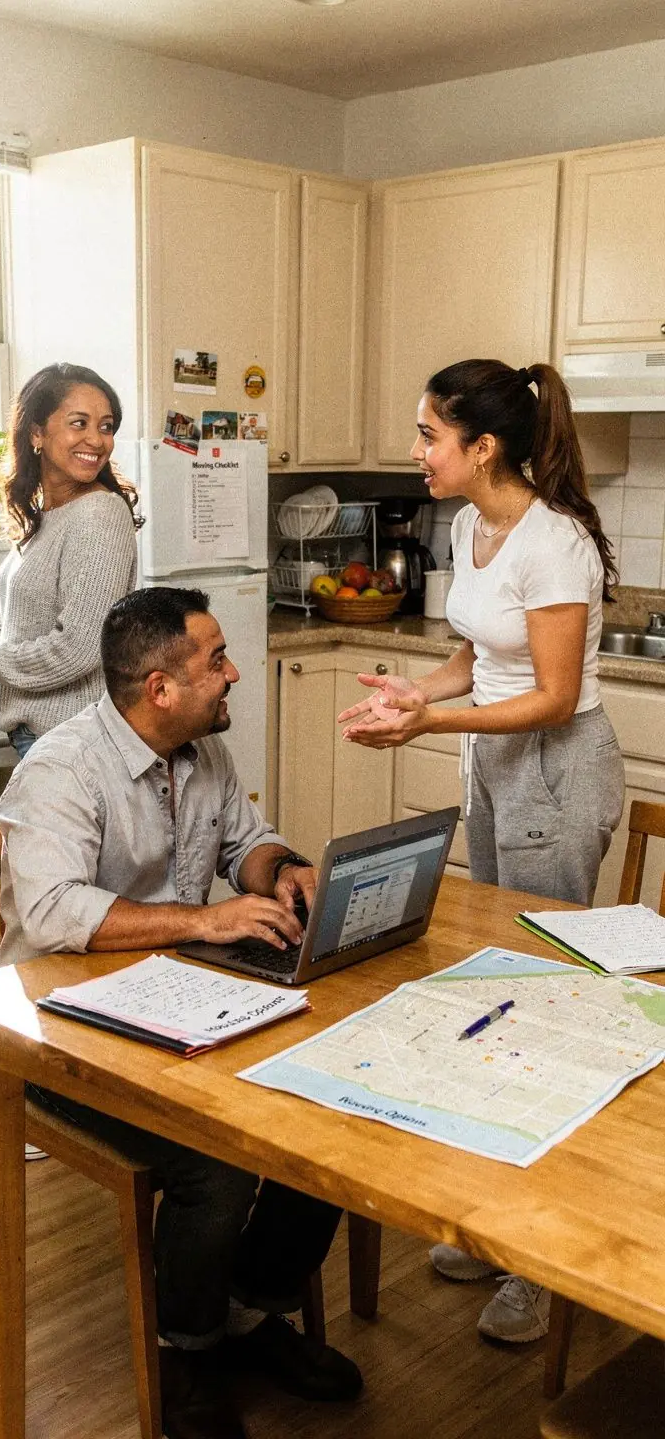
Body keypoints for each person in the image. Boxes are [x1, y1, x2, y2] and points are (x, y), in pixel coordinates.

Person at [0, 586, 362, 1439]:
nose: (235, 674)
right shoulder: (60, 767)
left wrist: (286, 872)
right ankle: (188, 1347)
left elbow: (246, 842)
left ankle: (251, 1307)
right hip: (58, 1032)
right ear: (159, 688)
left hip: (179, 998)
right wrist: (206, 920)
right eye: (216, 661)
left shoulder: (202, 748)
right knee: (217, 1159)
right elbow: (51, 913)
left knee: (329, 1099)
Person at [338, 358, 625, 1344]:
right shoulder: (473, 524)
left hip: (552, 762)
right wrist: (425, 695)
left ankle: (546, 1265)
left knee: (554, 1008)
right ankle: (502, 1224)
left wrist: (425, 728)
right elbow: (477, 652)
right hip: (492, 758)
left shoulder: (558, 544)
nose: (418, 451)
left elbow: (548, 694)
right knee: (498, 985)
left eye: (429, 434)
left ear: (482, 445)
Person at [0, 362, 140, 759]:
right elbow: (57, 602)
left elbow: (80, 648)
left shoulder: (99, 513)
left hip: (74, 741)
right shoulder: (50, 510)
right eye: (79, 423)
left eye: (106, 426)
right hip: (45, 735)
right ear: (36, 433)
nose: (97, 440)